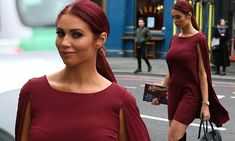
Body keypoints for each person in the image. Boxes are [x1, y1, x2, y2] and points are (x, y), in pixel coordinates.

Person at [15, 1, 151, 141]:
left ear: (100, 39)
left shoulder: (121, 101)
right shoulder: (33, 92)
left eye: (76, 35)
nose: (64, 43)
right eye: (60, 33)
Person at [151, 1, 229, 141]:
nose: (175, 21)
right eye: (173, 17)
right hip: (174, 93)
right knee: (178, 137)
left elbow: (202, 73)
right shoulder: (174, 39)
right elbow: (172, 71)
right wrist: (159, 92)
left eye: (178, 17)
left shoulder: (199, 39)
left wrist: (205, 104)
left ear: (189, 16)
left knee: (173, 137)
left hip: (190, 94)